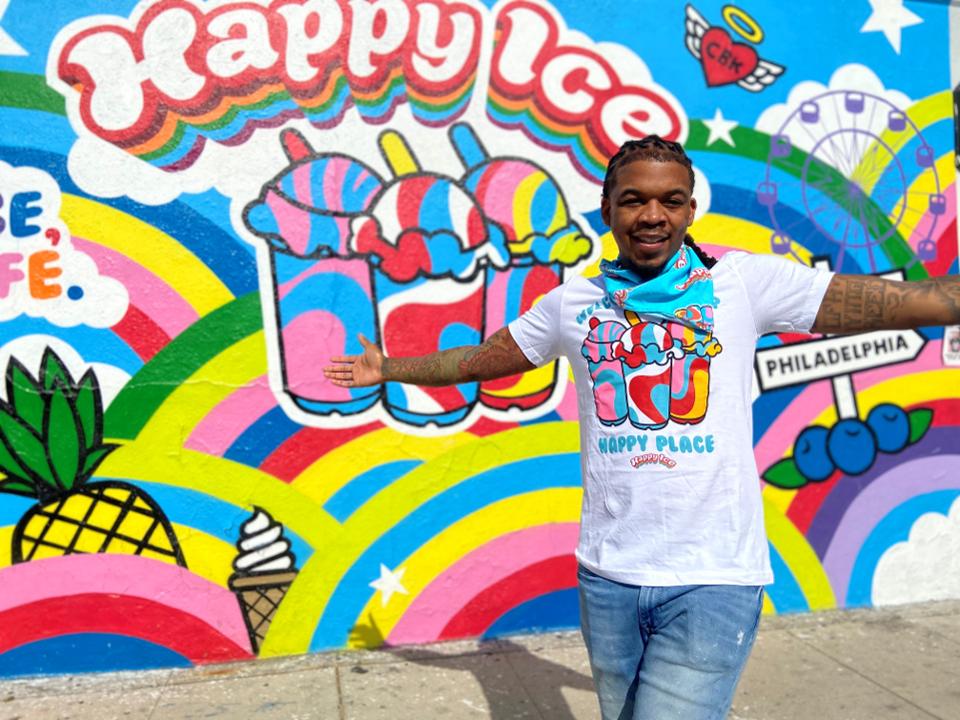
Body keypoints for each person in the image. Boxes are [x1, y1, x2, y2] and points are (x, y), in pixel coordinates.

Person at [324, 136, 960, 719]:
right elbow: (481, 358)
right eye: (633, 200)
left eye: (670, 201)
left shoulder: (743, 285)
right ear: (607, 209)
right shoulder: (574, 304)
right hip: (607, 578)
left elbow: (889, 302)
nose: (652, 215)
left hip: (714, 577)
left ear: (689, 212)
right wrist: (389, 368)